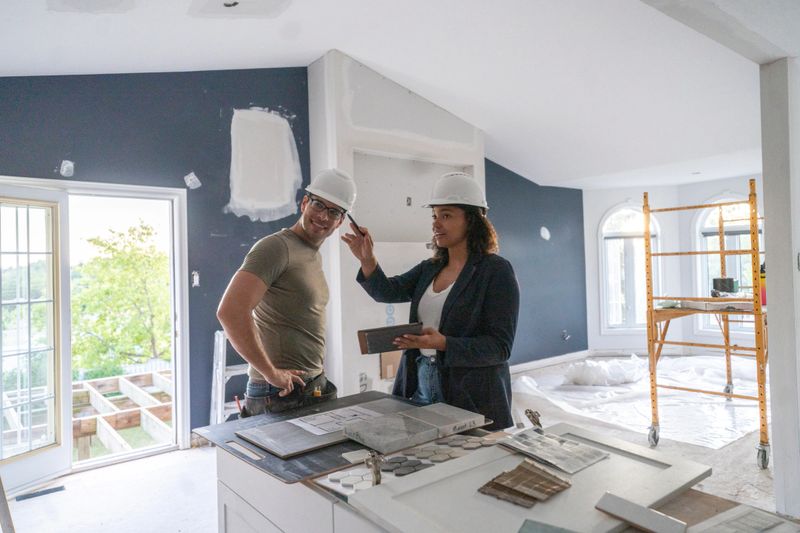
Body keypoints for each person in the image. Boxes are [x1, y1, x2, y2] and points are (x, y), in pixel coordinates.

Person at [342, 172, 519, 429]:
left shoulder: (496, 271)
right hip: (419, 381)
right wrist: (367, 259)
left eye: (446, 215)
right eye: (434, 216)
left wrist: (444, 343)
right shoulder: (430, 268)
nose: (436, 224)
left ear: (472, 220)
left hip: (470, 392)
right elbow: (387, 292)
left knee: (469, 453)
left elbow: (499, 348)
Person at [217, 168, 357, 416]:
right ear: (304, 203)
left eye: (334, 211)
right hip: (278, 392)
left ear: (340, 221)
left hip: (309, 386)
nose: (323, 216)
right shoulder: (276, 248)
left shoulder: (311, 254)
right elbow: (230, 311)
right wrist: (271, 373)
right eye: (318, 205)